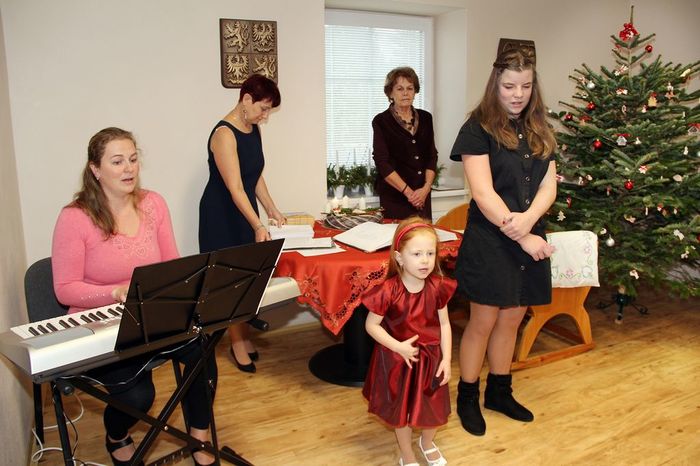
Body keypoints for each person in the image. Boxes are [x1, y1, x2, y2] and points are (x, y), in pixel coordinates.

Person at [52, 127, 217, 466]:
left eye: (132, 159)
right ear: (95, 169)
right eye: (117, 161)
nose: (128, 168)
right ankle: (116, 436)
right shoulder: (75, 217)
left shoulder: (153, 203)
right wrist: (114, 292)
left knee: (203, 345)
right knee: (139, 396)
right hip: (100, 322)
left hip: (149, 314)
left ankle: (199, 438)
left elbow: (172, 264)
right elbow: (64, 288)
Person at [449, 47, 557, 436]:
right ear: (495, 83)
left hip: (527, 232)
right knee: (483, 321)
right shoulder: (477, 128)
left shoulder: (540, 127)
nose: (518, 94)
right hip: (491, 238)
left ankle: (499, 392)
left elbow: (548, 185)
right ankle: (467, 396)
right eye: (510, 86)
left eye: (525, 86)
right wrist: (523, 234)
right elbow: (483, 193)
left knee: (512, 320)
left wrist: (529, 222)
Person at [198, 74, 286, 374]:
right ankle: (236, 344)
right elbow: (235, 187)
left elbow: (254, 175)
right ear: (246, 99)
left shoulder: (252, 128)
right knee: (231, 283)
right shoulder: (224, 134)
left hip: (244, 210)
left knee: (247, 278)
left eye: (268, 110)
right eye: (263, 108)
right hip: (222, 214)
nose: (265, 116)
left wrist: (271, 209)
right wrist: (257, 225)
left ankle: (243, 337)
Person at [362, 217, 456, 466]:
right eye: (417, 254)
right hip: (399, 361)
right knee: (401, 412)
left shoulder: (438, 287)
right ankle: (407, 453)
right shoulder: (388, 291)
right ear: (400, 258)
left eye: (430, 253)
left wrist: (447, 359)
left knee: (433, 407)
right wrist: (397, 346)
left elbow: (444, 325)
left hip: (431, 360)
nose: (425, 260)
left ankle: (427, 442)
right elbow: (371, 325)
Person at [372, 66, 439, 220]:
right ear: (390, 93)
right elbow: (382, 163)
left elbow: (432, 156)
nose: (405, 93)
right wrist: (409, 193)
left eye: (410, 88)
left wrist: (426, 189)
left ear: (415, 91)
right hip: (395, 198)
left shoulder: (426, 118)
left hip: (422, 196)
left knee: (424, 234)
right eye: (400, 88)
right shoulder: (381, 121)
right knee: (398, 236)